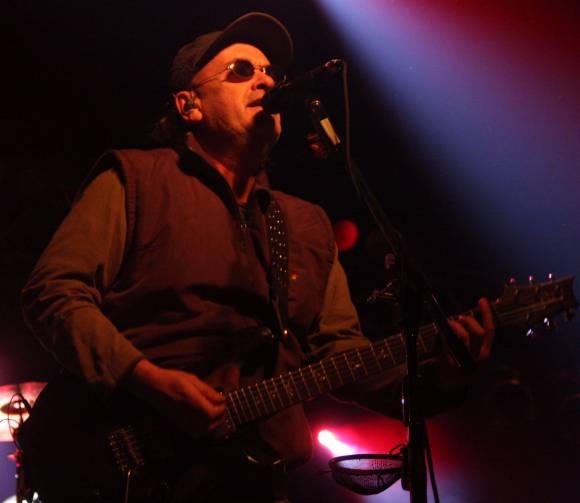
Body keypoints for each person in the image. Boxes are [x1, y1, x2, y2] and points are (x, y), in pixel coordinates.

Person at [20, 12, 494, 503]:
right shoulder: (135, 179)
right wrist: (147, 379)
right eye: (241, 71)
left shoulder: (307, 224)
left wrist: (444, 375)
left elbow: (340, 354)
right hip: (129, 472)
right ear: (189, 106)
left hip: (258, 481)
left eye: (271, 72)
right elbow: (52, 293)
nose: (267, 80)